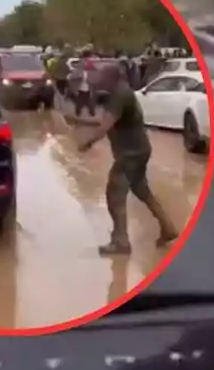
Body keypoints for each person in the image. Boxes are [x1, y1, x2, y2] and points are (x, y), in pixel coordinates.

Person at [69, 64, 179, 256]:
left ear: (113, 78)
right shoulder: (120, 94)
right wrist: (81, 121)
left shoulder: (120, 95)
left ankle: (121, 242)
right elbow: (109, 121)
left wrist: (87, 142)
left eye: (102, 78)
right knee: (142, 191)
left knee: (114, 195)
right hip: (137, 151)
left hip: (131, 154)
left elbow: (105, 126)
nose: (99, 81)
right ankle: (168, 227)